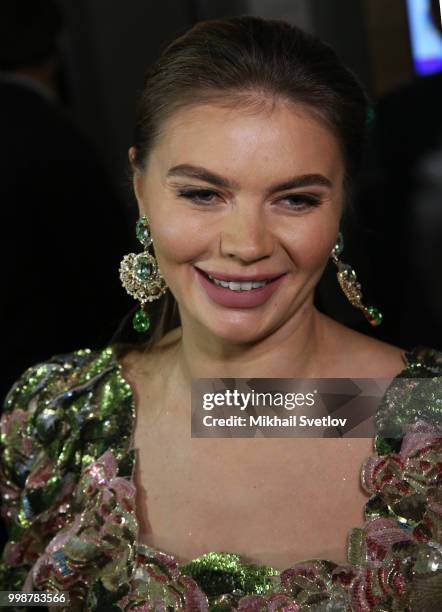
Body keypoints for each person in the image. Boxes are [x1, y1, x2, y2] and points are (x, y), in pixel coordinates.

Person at [1, 15, 442, 611]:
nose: (245, 243)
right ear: (140, 187)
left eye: (296, 199)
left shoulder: (427, 422)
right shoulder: (53, 417)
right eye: (202, 193)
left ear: (341, 203)